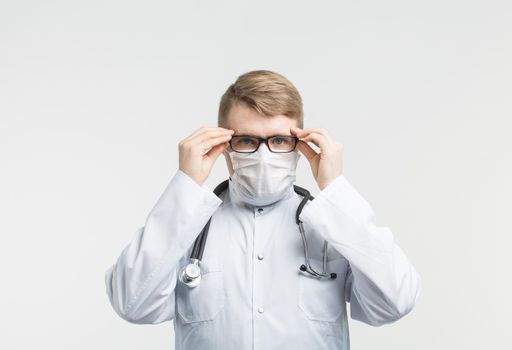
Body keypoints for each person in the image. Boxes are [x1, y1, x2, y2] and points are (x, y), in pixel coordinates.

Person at [104, 69, 421, 349]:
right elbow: (132, 304)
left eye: (280, 141)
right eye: (246, 141)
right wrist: (185, 185)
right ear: (223, 145)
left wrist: (335, 188)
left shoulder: (332, 224)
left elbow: (395, 301)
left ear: (300, 145)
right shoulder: (187, 224)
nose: (265, 154)